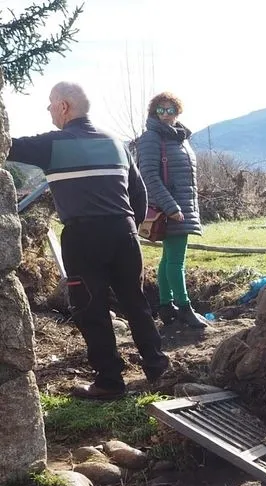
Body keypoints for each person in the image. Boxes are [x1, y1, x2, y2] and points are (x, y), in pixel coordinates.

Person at [8, 82, 169, 401]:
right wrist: (128, 226)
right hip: (124, 232)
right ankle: (158, 369)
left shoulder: (52, 144)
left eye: (51, 104)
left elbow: (5, 146)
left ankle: (110, 381)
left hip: (83, 236)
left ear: (64, 106)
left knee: (90, 308)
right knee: (135, 303)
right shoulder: (116, 143)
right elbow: (139, 193)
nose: (49, 110)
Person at [135, 91, 209, 329]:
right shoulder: (151, 138)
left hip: (182, 205)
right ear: (153, 112)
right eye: (161, 110)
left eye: (171, 110)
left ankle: (166, 305)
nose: (166, 115)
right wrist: (171, 207)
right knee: (177, 260)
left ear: (178, 112)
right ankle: (185, 308)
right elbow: (148, 175)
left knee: (168, 258)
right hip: (170, 208)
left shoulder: (179, 138)